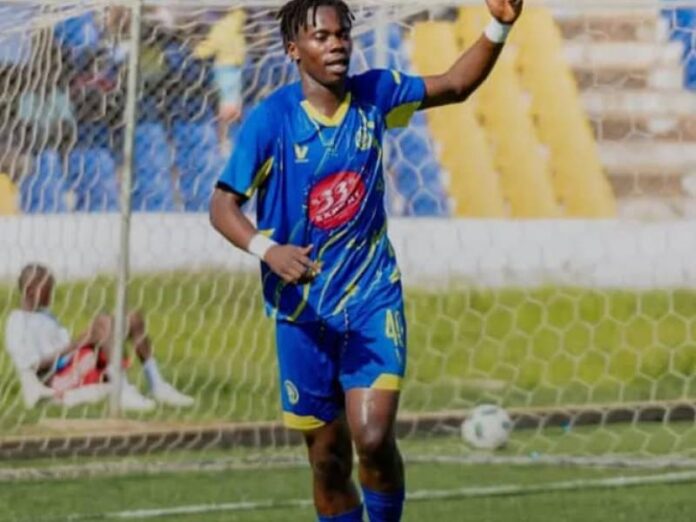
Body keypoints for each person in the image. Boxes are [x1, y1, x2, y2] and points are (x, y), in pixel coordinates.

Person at [209, 1, 523, 520]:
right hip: (302, 313)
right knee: (328, 462)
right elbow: (222, 206)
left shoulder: (375, 94)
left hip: (371, 300)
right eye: (320, 36)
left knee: (373, 437)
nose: (336, 44)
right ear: (293, 49)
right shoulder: (271, 120)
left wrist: (500, 24)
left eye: (342, 34)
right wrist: (269, 250)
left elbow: (454, 85)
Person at [4, 264, 195, 411]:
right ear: (31, 290)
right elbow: (34, 366)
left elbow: (69, 348)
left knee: (132, 317)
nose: (52, 294)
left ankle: (157, 384)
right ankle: (122, 390)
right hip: (56, 378)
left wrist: (84, 340)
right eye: (48, 288)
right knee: (103, 323)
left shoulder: (46, 316)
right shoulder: (17, 322)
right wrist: (77, 344)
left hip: (74, 362)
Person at [194, 8, 248, 143]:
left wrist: (195, 51)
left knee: (228, 107)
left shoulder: (219, 28)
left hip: (225, 68)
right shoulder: (236, 20)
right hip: (233, 68)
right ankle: (227, 140)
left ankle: (224, 140)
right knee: (233, 106)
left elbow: (207, 49)